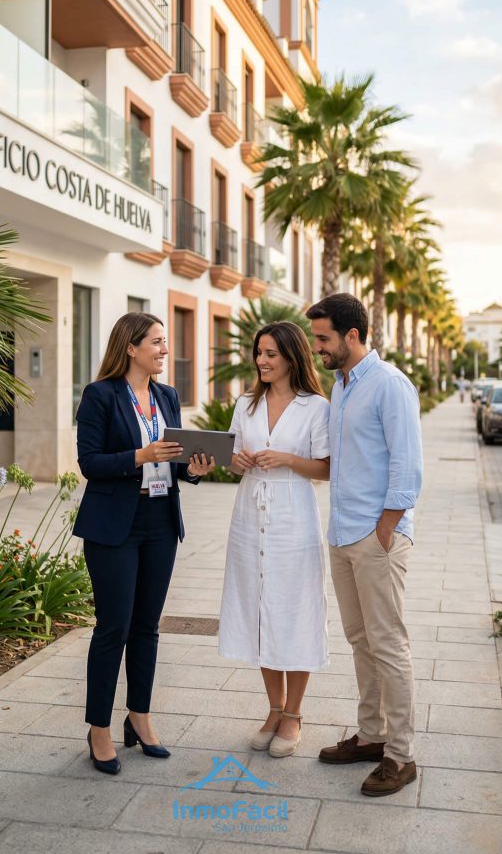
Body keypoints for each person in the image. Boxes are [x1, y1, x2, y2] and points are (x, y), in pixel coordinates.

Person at [73, 312, 216, 775]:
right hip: (114, 524)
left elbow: (173, 463)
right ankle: (99, 728)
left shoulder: (167, 396)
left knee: (147, 626)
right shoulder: (100, 395)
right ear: (130, 347)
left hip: (159, 520)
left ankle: (140, 715)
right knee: (112, 626)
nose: (164, 350)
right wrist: (141, 454)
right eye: (156, 342)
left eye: (165, 342)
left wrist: (193, 468)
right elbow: (90, 463)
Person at [306, 294, 423, 797]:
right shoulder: (342, 385)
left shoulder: (389, 385)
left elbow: (408, 461)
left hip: (377, 536)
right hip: (342, 532)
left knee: (389, 644)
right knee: (360, 641)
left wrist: (389, 524)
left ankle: (401, 755)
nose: (317, 348)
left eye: (323, 338)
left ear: (352, 335)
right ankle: (373, 736)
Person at [218, 321, 330, 758]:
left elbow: (326, 468)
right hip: (249, 516)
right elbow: (227, 459)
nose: (261, 361)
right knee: (260, 609)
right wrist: (236, 459)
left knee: (294, 610)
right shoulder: (246, 403)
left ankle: (295, 714)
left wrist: (287, 459)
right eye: (258, 353)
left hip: (293, 519)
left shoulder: (315, 407)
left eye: (270, 354)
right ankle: (273, 708)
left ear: (291, 356)